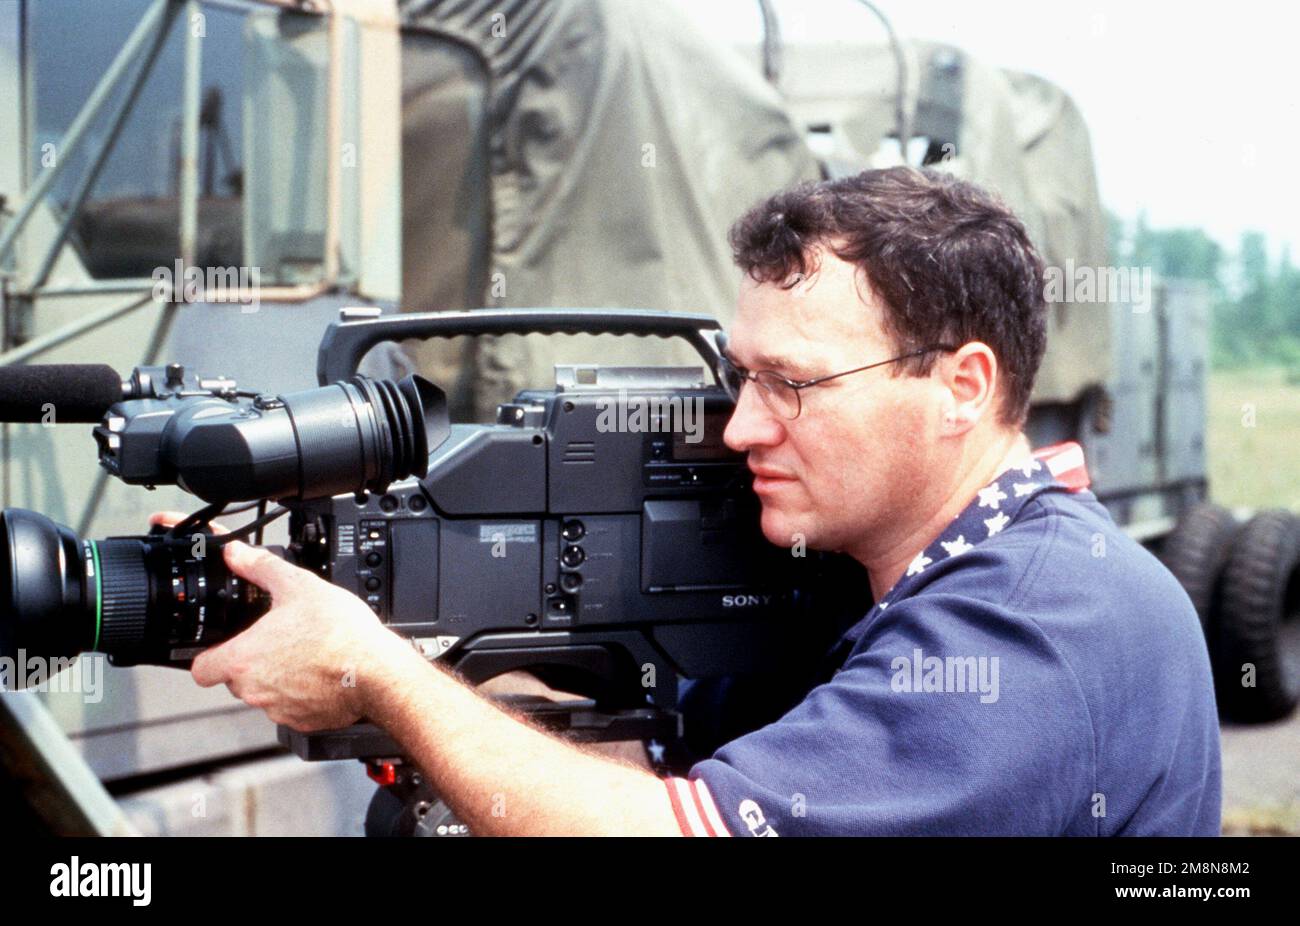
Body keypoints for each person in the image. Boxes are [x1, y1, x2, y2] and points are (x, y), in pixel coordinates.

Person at [153, 166, 1221, 836]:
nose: (745, 426)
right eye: (739, 378)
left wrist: (378, 673)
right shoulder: (876, 590)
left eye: (793, 384)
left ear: (961, 386)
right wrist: (456, 683)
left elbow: (682, 823)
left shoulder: (1036, 620)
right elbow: (663, 748)